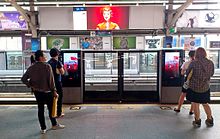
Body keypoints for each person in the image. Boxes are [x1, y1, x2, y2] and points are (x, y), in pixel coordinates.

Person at [21, 50, 65, 134]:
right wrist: (54, 91)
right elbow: (51, 81)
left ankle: (43, 128)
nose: (45, 57)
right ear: (41, 58)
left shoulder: (31, 68)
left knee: (40, 109)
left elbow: (23, 79)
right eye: (44, 56)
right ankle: (54, 124)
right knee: (51, 108)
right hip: (48, 92)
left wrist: (30, 85)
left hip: (37, 92)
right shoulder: (47, 66)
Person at [186, 47, 214, 127]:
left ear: (196, 54)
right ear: (205, 53)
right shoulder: (210, 63)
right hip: (205, 87)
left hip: (194, 87)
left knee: (195, 104)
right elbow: (211, 74)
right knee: (205, 104)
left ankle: (197, 121)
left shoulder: (193, 63)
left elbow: (188, 73)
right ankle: (209, 119)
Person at [174, 50, 195, 115]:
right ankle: (191, 110)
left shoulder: (186, 63)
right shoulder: (198, 63)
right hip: (196, 82)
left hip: (187, 81)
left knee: (183, 94)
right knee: (194, 95)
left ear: (189, 56)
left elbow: (182, 73)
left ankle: (178, 108)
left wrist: (187, 72)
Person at [48, 48, 65, 118]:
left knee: (51, 99)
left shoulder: (48, 63)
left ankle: (52, 113)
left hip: (50, 83)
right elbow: (62, 72)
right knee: (59, 97)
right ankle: (58, 113)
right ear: (57, 54)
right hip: (57, 82)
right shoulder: (58, 62)